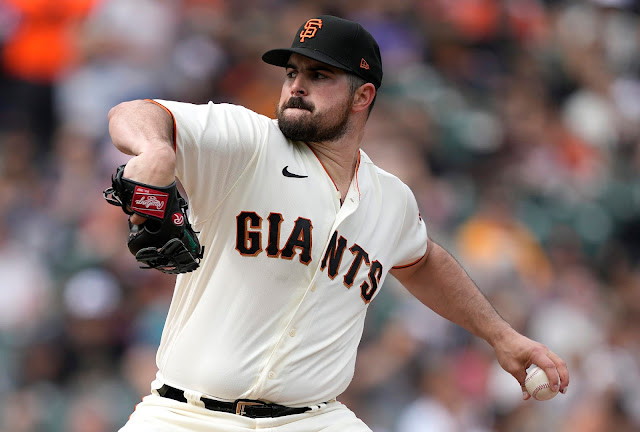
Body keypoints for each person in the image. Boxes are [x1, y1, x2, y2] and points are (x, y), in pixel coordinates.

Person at [108, 15, 569, 432]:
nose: (296, 86)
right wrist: (156, 150)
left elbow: (424, 261)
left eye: (319, 75)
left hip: (311, 419)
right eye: (291, 73)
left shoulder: (391, 200)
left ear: (362, 95)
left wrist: (502, 336)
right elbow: (133, 113)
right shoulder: (248, 142)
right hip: (187, 415)